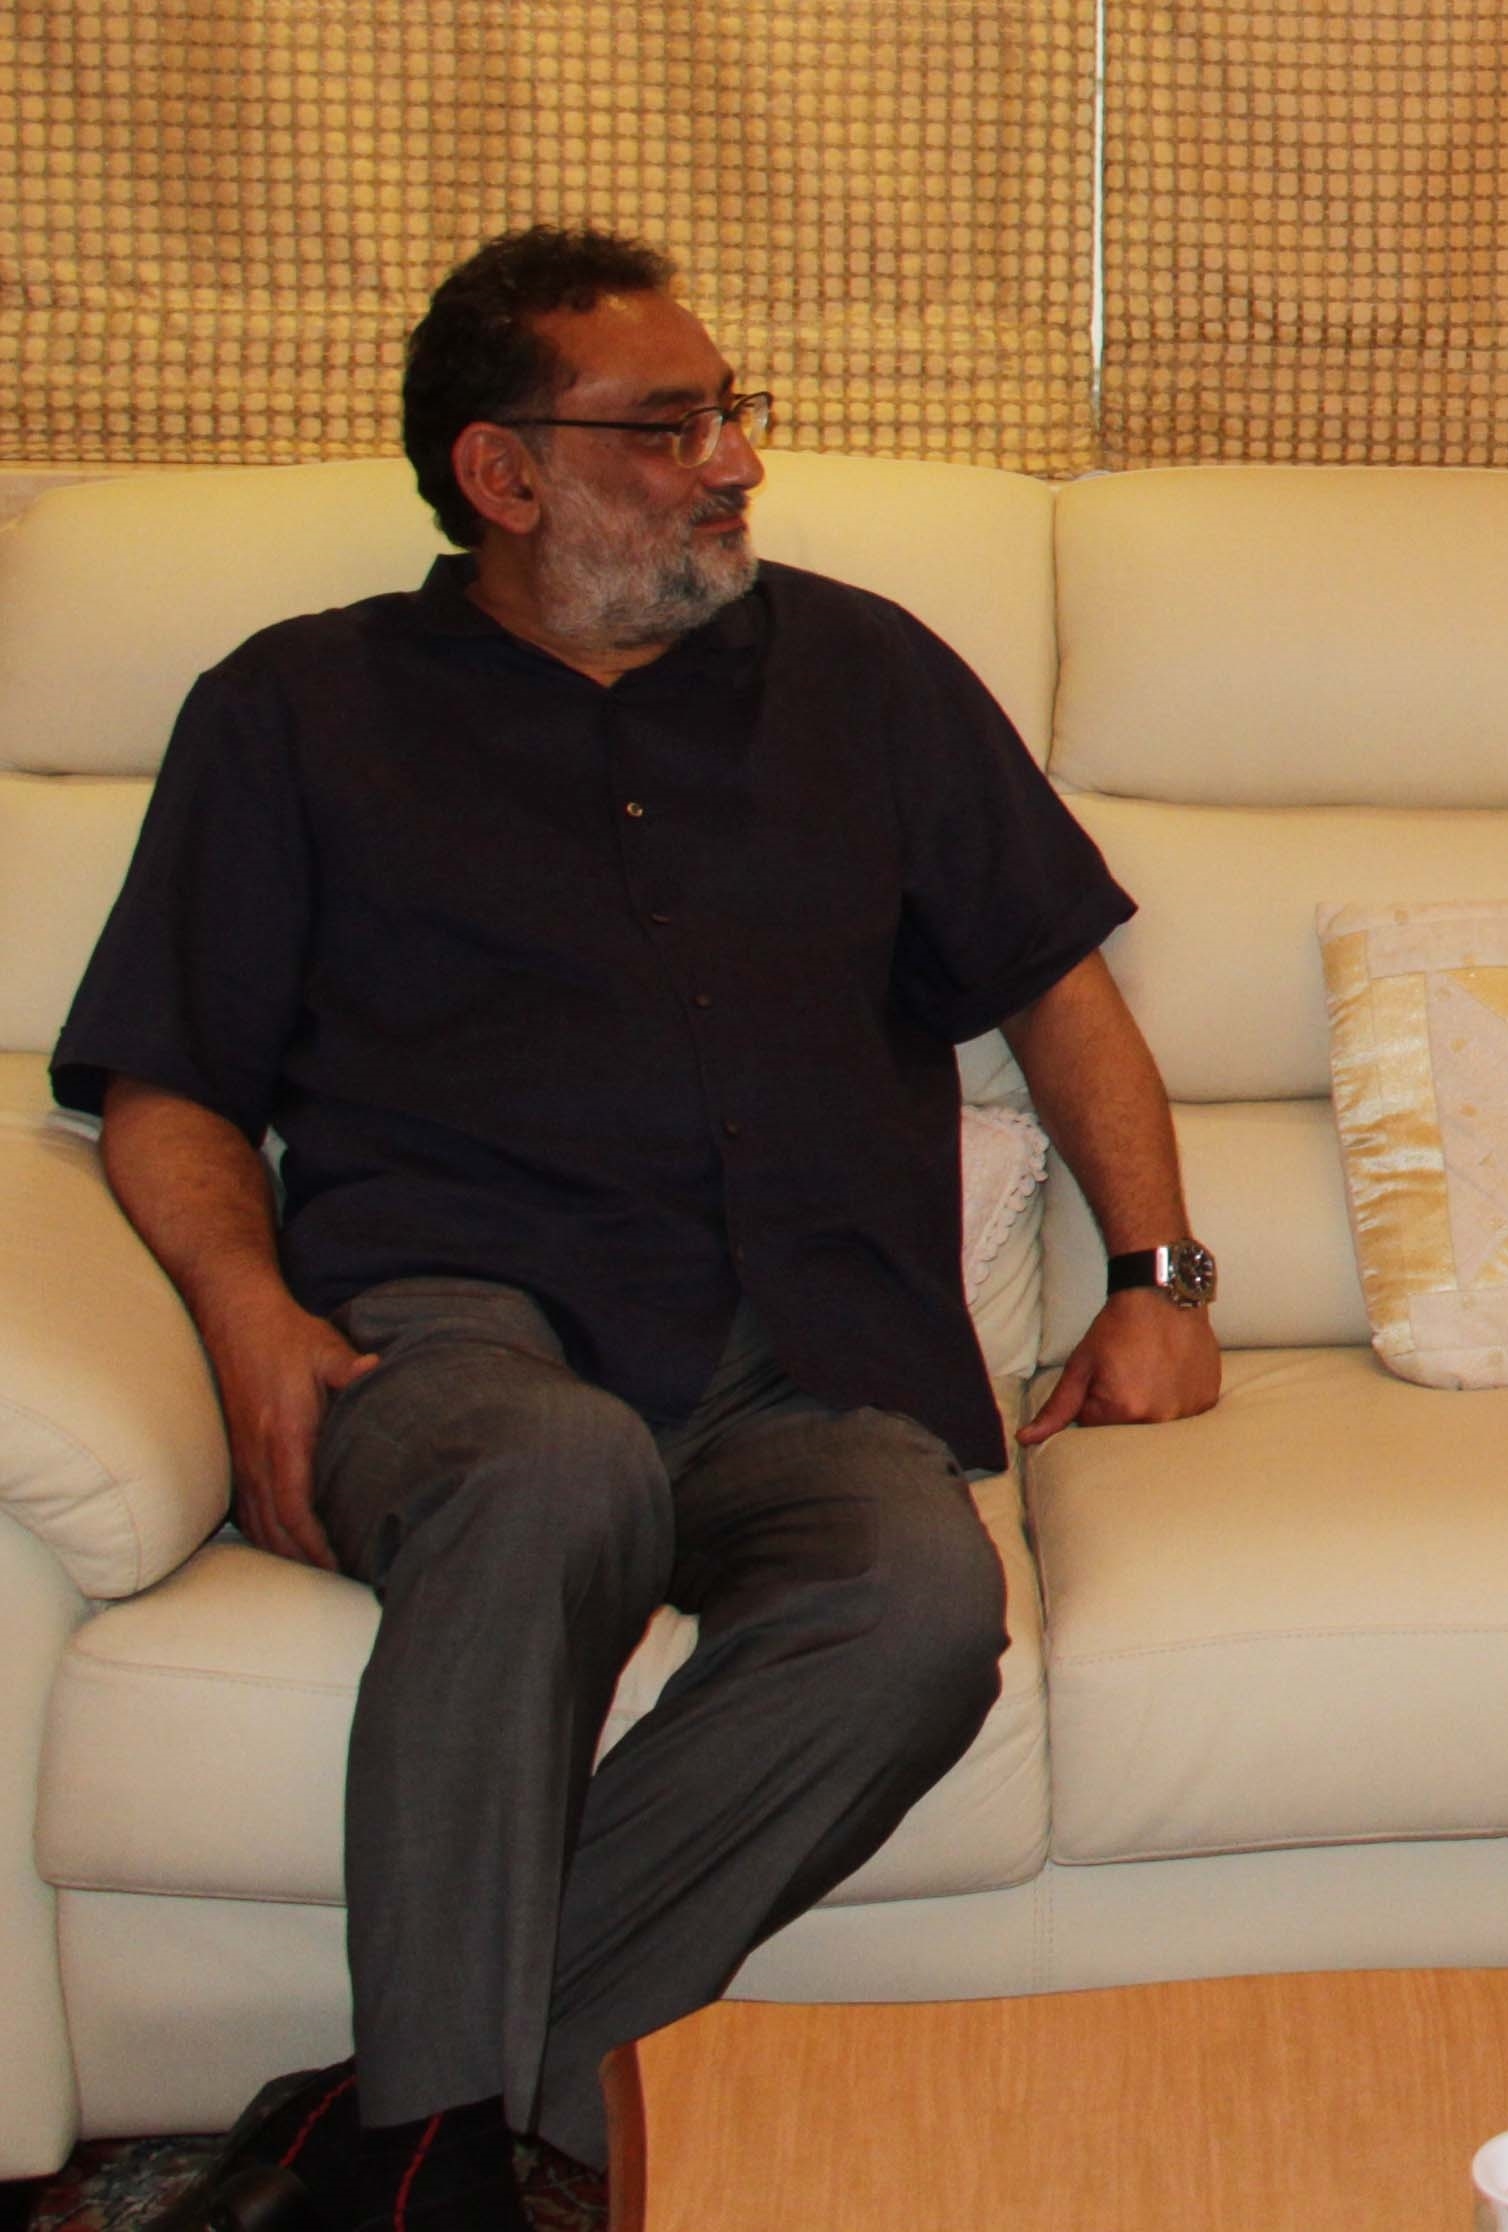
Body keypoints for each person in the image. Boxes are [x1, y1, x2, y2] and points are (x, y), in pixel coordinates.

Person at [64, 228, 1223, 2232]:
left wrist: (1156, 1277)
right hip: (453, 1337)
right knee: (553, 1469)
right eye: (668, 427)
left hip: (800, 1351)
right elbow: (170, 1078)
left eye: (730, 415)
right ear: (504, 475)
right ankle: (441, 2177)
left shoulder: (861, 673)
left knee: (923, 1609)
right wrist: (247, 1314)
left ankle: (394, 2131)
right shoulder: (297, 707)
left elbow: (1057, 986)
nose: (731, 463)